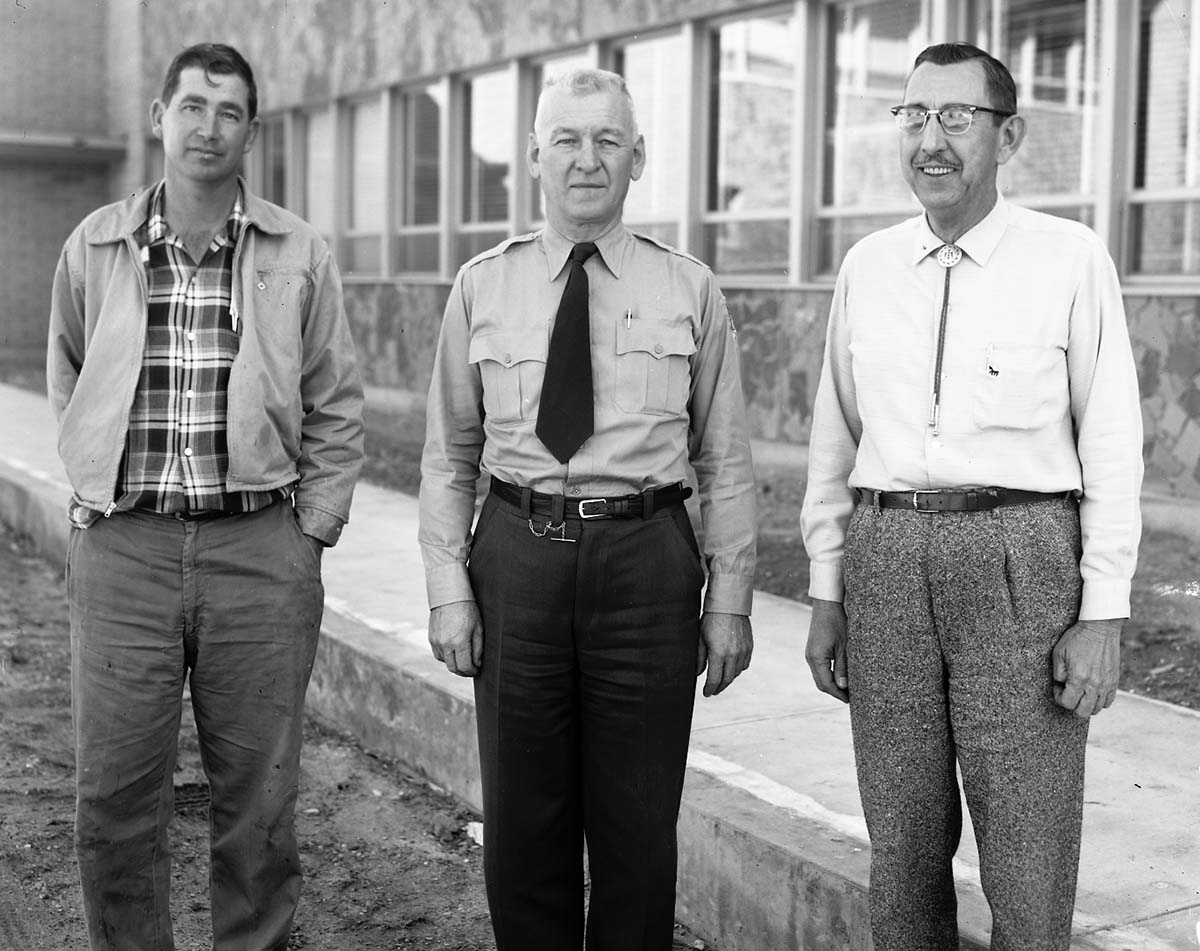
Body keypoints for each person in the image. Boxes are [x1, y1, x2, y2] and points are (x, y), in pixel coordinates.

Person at [800, 41, 1143, 951]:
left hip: (1021, 561)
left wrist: (1102, 612)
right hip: (885, 560)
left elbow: (1112, 444)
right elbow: (836, 438)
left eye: (956, 116)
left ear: (1010, 133)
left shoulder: (1069, 259)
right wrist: (827, 590)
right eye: (913, 116)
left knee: (1028, 859)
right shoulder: (866, 266)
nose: (931, 139)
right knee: (902, 848)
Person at [418, 68, 756, 951]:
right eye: (566, 139)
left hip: (647, 563)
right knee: (525, 829)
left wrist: (729, 599)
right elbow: (449, 456)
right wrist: (447, 588)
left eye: (607, 140)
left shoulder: (692, 289)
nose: (586, 158)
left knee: (639, 829)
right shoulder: (480, 287)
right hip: (516, 562)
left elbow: (724, 460)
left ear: (637, 158)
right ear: (534, 156)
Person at [47, 43, 364, 950]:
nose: (207, 127)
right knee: (112, 802)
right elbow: (65, 371)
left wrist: (310, 530)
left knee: (260, 807)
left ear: (251, 133)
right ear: (159, 118)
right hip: (124, 554)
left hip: (258, 554)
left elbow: (337, 399)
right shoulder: (97, 244)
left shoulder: (298, 251)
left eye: (229, 112)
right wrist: (87, 483)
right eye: (192, 106)